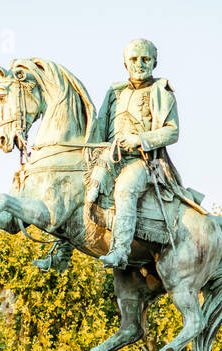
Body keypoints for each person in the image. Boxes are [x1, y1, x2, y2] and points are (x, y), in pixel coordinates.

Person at [85, 38, 196, 270]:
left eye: (145, 59)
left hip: (149, 162)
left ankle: (120, 251)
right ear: (125, 63)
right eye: (134, 59)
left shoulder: (161, 91)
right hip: (112, 157)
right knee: (80, 183)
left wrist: (139, 140)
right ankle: (61, 250)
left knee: (125, 187)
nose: (139, 64)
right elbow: (100, 128)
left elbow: (172, 132)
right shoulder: (115, 92)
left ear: (154, 62)